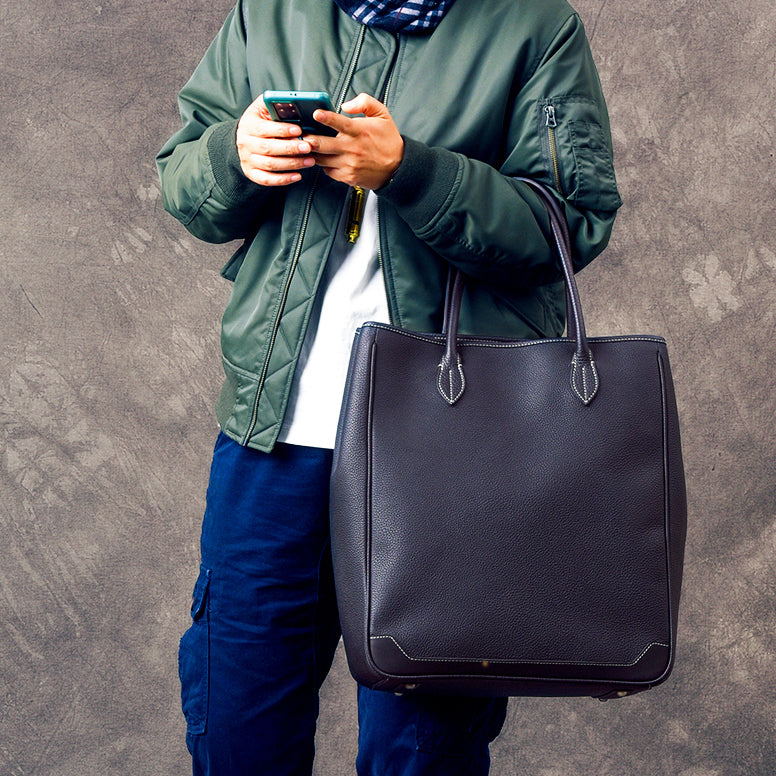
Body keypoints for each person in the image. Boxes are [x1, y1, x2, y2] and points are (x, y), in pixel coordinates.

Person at [156, 0, 621, 773]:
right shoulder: (271, 12)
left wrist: (413, 172)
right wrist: (232, 156)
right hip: (275, 436)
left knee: (424, 747)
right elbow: (182, 179)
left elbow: (569, 224)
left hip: (450, 455)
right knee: (238, 722)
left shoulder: (536, 26)